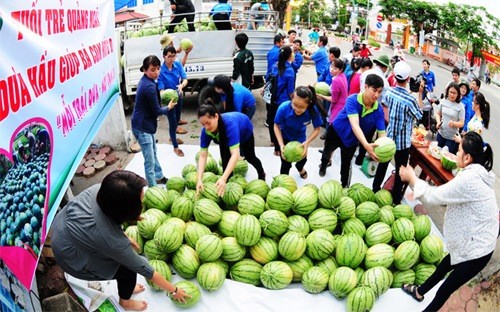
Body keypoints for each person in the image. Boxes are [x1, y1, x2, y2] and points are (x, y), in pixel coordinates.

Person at [51, 170, 190, 311]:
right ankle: (125, 301)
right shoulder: (112, 241)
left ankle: (126, 288)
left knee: (121, 260)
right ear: (127, 210)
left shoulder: (100, 191)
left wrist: (124, 237)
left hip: (61, 227)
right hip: (71, 258)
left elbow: (107, 224)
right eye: (140, 200)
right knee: (127, 271)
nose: (143, 201)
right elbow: (145, 269)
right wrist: (174, 290)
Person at [400, 131, 497, 312]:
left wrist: (412, 178)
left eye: (459, 150)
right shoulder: (478, 172)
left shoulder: (469, 179)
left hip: (477, 252)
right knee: (444, 265)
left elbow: (433, 196)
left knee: (445, 290)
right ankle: (419, 291)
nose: (456, 153)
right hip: (471, 241)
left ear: (467, 157)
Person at [319, 74, 386, 187]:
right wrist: (366, 145)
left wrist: (382, 150)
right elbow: (355, 125)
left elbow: (382, 134)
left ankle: (345, 186)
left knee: (346, 165)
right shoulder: (353, 100)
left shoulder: (378, 111)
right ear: (365, 87)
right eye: (374, 90)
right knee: (327, 151)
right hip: (336, 131)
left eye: (379, 92)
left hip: (351, 141)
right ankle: (324, 164)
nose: (376, 95)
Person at [372, 61, 424, 204]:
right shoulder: (410, 100)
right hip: (402, 142)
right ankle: (395, 199)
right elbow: (420, 115)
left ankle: (375, 189)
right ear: (407, 79)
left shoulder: (389, 92)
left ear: (394, 76)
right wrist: (419, 94)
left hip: (388, 138)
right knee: (401, 171)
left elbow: (386, 106)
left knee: (383, 164)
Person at [196, 103, 266, 197]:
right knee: (225, 159)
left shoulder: (229, 125)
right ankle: (228, 190)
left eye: (208, 123)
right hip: (224, 135)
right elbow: (203, 155)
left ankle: (261, 172)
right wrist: (199, 179)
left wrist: (223, 179)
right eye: (203, 124)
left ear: (216, 116)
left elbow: (235, 155)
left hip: (244, 130)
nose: (206, 127)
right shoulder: (206, 131)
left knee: (250, 157)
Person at [131, 55, 175, 186]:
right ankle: (152, 188)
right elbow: (157, 111)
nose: (156, 72)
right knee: (149, 160)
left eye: (157, 68)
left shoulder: (148, 81)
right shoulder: (149, 86)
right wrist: (169, 107)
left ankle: (159, 176)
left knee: (154, 151)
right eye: (152, 69)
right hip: (142, 126)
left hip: (146, 123)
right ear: (145, 70)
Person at [274, 86, 324, 178]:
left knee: (302, 159)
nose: (297, 109)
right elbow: (276, 126)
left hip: (300, 137)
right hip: (285, 136)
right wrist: (281, 145)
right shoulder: (283, 108)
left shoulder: (313, 111)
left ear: (308, 104)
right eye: (295, 105)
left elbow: (317, 128)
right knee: (285, 163)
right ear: (292, 98)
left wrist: (307, 142)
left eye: (301, 107)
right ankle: (284, 180)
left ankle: (300, 168)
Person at [158, 46, 189, 157]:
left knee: (177, 119)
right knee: (172, 123)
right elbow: (161, 89)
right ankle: (175, 147)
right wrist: (165, 96)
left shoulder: (178, 65)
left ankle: (173, 137)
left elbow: (185, 78)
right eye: (169, 56)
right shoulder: (161, 70)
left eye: (173, 56)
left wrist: (182, 85)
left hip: (178, 96)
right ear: (164, 57)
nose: (171, 58)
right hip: (169, 100)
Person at [267, 46, 296, 155]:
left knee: (272, 121)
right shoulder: (289, 71)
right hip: (283, 101)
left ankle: (273, 142)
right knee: (281, 123)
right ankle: (279, 148)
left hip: (273, 98)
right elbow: (290, 90)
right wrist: (294, 100)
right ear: (289, 56)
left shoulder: (275, 66)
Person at [317, 58, 348, 128]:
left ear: (341, 70)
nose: (331, 69)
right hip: (343, 104)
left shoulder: (336, 80)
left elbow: (334, 99)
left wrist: (322, 96)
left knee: (332, 125)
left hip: (338, 107)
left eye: (335, 68)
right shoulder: (342, 75)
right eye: (331, 66)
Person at [435, 83, 464, 154]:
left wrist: (454, 124)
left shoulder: (460, 106)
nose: (452, 95)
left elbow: (461, 123)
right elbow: (438, 113)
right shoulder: (443, 101)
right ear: (447, 91)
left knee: (444, 156)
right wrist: (438, 122)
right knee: (436, 153)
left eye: (454, 93)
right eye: (451, 92)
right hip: (441, 133)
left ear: (458, 94)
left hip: (452, 138)